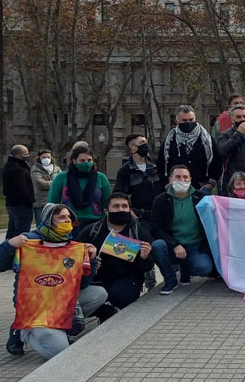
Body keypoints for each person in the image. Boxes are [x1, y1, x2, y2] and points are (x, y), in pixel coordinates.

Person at [0, 203, 107, 359]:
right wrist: (9, 244)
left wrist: (91, 261)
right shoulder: (28, 241)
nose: (67, 221)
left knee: (98, 294)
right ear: (48, 220)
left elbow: (83, 285)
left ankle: (58, 327)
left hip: (59, 301)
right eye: (61, 217)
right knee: (60, 352)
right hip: (35, 306)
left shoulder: (71, 245)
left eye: (69, 218)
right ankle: (23, 331)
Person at [78, 193, 154, 312]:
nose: (120, 209)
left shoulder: (139, 233)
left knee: (121, 296)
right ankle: (105, 312)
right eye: (116, 206)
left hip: (126, 277)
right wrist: (88, 259)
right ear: (106, 211)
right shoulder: (92, 231)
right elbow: (75, 256)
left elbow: (147, 267)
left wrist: (145, 257)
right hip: (96, 278)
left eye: (124, 206)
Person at [150, 165, 213, 295]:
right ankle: (170, 279)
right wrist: (175, 244)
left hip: (195, 245)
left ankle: (186, 268)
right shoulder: (160, 200)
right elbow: (155, 228)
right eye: (177, 177)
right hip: (172, 245)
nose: (182, 180)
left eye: (185, 177)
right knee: (157, 246)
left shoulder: (201, 198)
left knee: (204, 268)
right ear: (170, 179)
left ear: (190, 179)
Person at [157, 105, 222, 192]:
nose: (188, 123)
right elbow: (161, 164)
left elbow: (217, 162)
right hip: (176, 187)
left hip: (201, 187)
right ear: (177, 121)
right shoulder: (169, 141)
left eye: (191, 120)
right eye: (184, 120)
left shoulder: (207, 140)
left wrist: (211, 183)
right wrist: (166, 184)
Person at [47, 146, 111, 233]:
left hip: (95, 225)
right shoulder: (61, 178)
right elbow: (53, 203)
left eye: (89, 160)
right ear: (74, 160)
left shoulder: (101, 178)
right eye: (82, 161)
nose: (86, 163)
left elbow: (107, 203)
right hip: (69, 225)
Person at [115, 134, 163, 223]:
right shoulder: (125, 170)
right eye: (142, 143)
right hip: (140, 217)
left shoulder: (157, 164)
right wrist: (128, 210)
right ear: (132, 147)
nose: (145, 145)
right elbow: (119, 193)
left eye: (146, 142)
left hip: (160, 214)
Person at [3, 145, 35, 239]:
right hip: (21, 205)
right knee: (22, 233)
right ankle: (18, 252)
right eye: (25, 154)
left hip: (11, 203)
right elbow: (21, 189)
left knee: (12, 230)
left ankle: (7, 251)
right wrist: (29, 201)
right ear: (18, 155)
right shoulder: (18, 169)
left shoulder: (9, 166)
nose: (28, 156)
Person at [31, 149, 61, 226]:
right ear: (39, 158)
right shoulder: (35, 169)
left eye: (48, 157)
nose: (46, 159)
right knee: (41, 224)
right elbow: (40, 183)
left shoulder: (57, 169)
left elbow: (61, 181)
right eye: (44, 157)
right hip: (41, 201)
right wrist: (55, 184)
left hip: (54, 201)